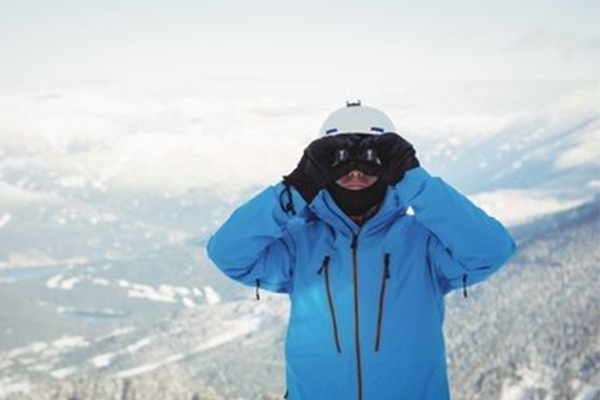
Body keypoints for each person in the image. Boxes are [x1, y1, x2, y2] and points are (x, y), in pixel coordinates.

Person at [205, 101, 518, 400]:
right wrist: (297, 188)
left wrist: (414, 180)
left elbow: (491, 251)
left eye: (371, 160)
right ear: (321, 168)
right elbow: (226, 253)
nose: (355, 173)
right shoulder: (300, 242)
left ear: (391, 166)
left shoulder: (423, 242)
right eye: (339, 161)